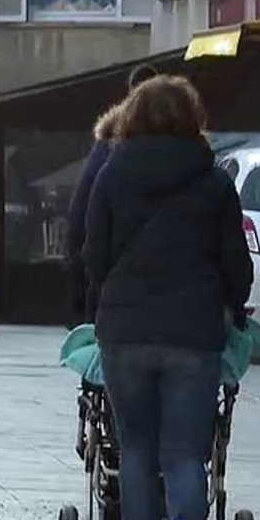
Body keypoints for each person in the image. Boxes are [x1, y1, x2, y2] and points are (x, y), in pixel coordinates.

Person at [82, 75, 253, 520]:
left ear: (132, 116)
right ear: (192, 117)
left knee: (134, 450)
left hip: (126, 331)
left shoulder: (112, 175)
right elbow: (235, 265)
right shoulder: (214, 181)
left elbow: (94, 257)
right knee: (184, 450)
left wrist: (101, 305)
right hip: (193, 331)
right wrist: (233, 308)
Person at [67, 62, 160, 326]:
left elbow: (80, 223)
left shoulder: (107, 153)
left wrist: (85, 296)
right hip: (186, 316)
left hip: (117, 300)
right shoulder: (199, 164)